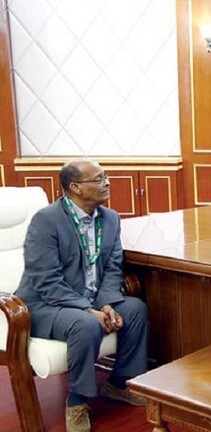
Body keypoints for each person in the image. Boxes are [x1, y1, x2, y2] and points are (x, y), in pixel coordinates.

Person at [16, 159, 148, 432]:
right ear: (75, 187)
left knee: (135, 309)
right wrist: (88, 310)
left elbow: (113, 267)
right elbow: (45, 280)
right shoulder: (46, 220)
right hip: (45, 304)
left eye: (106, 177)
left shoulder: (110, 218)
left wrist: (107, 303)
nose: (107, 183)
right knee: (85, 324)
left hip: (90, 299)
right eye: (99, 179)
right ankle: (77, 401)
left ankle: (119, 384)